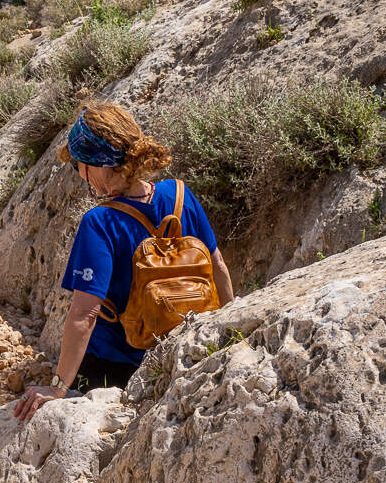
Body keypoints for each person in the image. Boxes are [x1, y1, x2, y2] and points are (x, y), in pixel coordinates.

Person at [14, 102, 234, 423]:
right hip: (183, 352)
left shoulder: (100, 222)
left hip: (114, 366)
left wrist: (58, 387)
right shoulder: (180, 195)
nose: (79, 175)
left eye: (78, 166)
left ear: (96, 164)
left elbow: (84, 314)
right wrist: (231, 331)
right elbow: (217, 266)